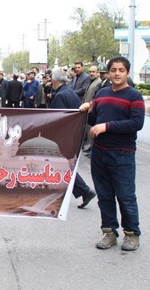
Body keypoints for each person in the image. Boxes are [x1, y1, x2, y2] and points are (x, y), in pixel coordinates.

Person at [79, 56, 145, 252]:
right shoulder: (102, 93)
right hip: (100, 153)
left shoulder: (134, 96)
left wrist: (107, 126)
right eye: (113, 70)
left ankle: (132, 234)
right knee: (105, 195)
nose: (117, 73)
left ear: (127, 73)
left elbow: (136, 123)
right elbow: (94, 119)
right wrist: (86, 110)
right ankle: (109, 232)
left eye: (121, 70)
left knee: (125, 196)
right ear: (108, 73)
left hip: (122, 154)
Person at [49, 68, 97, 210]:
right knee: (61, 165)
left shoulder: (60, 95)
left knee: (61, 165)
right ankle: (82, 190)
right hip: (72, 134)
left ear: (54, 81)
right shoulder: (69, 92)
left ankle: (84, 190)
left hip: (63, 136)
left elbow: (56, 119)